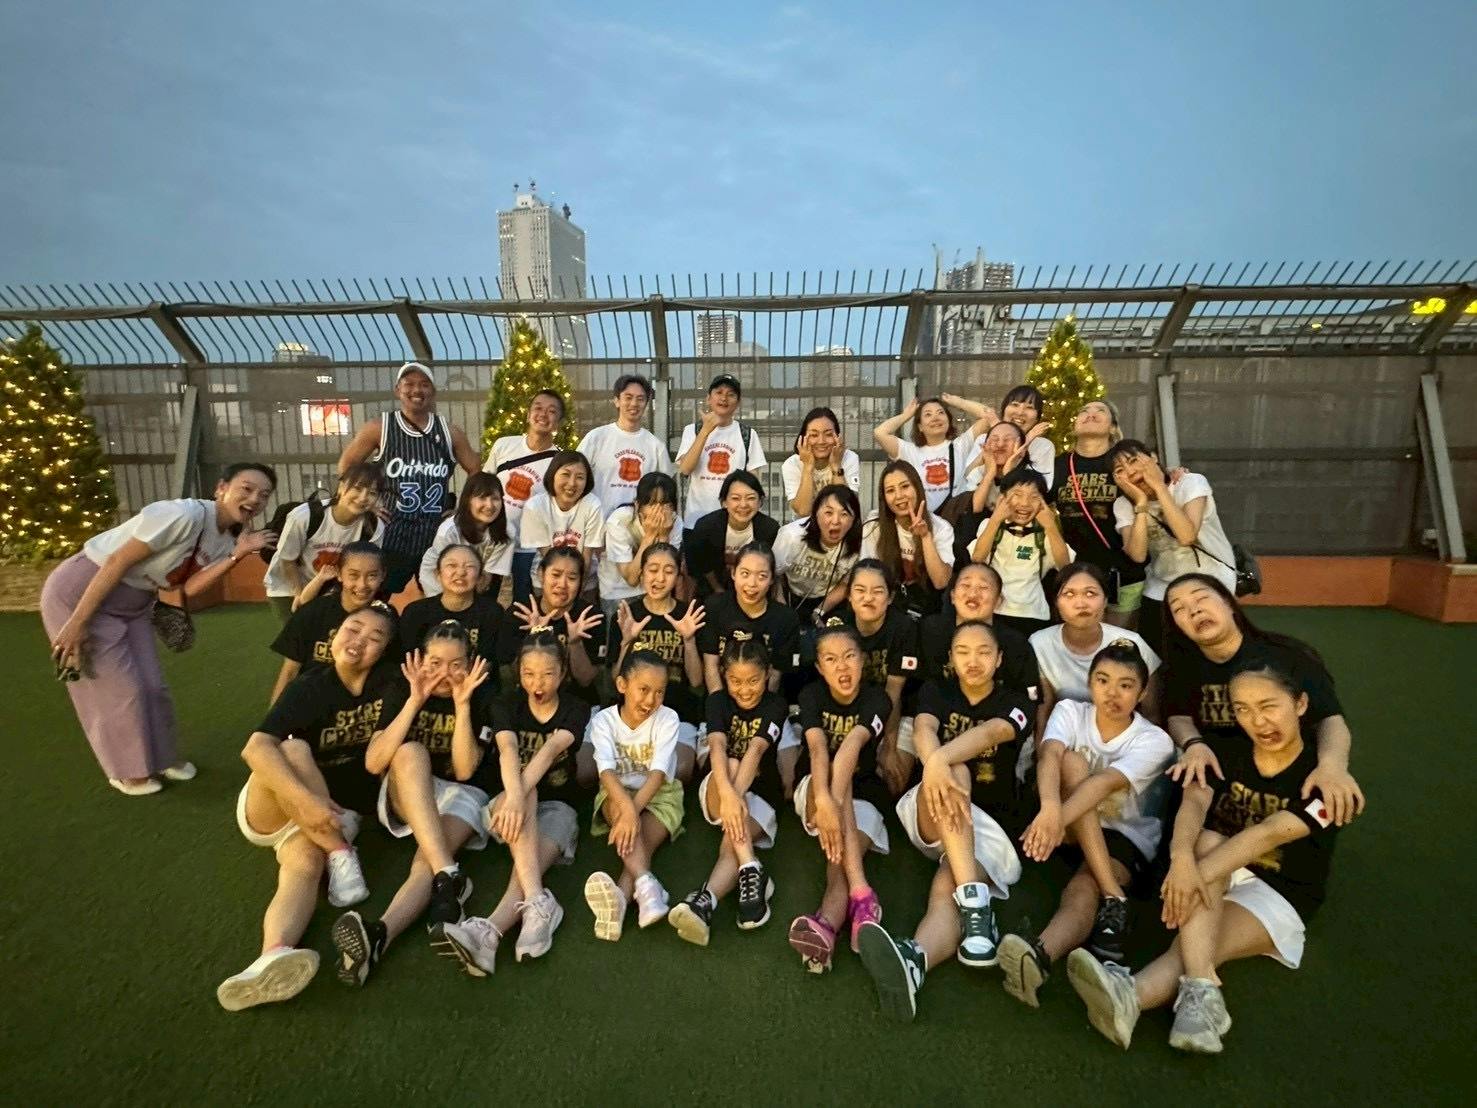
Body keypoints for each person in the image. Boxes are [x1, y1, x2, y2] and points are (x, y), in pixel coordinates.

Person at [1067, 661, 1346, 1055]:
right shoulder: (1226, 751)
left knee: (1196, 943)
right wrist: (1181, 858)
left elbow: (1267, 833)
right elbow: (1195, 802)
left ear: (1300, 704)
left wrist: (1189, 877)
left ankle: (1131, 994)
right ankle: (1197, 992)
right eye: (1243, 709)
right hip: (1216, 869)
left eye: (1269, 706)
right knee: (1209, 840)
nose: (1258, 721)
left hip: (1278, 891)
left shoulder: (1326, 780)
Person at [43, 463, 278, 795]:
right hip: (83, 592)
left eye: (263, 495)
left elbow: (189, 588)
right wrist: (77, 621)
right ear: (221, 488)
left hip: (134, 604)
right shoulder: (182, 515)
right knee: (120, 691)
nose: (254, 499)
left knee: (154, 687)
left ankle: (162, 758)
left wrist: (237, 555)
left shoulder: (228, 538)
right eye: (246, 488)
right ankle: (127, 771)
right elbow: (118, 561)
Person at [216, 603, 399, 1011]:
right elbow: (255, 749)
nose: (359, 641)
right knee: (293, 748)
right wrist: (308, 802)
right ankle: (341, 852)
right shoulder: (309, 686)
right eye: (353, 629)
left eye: (374, 638)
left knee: (302, 868)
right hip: (278, 804)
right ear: (335, 634)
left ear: (385, 650)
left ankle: (271, 954)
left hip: (327, 815)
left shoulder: (388, 685)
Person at [856, 621, 1032, 1021]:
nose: (973, 661)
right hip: (934, 809)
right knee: (958, 771)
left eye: (984, 652)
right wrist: (940, 763)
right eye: (963, 652)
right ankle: (979, 908)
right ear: (951, 658)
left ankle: (915, 961)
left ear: (999, 659)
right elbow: (923, 729)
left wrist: (936, 759)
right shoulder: (936, 690)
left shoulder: (1016, 700)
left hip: (991, 830)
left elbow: (992, 732)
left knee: (943, 889)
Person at [1001, 641, 1175, 1007]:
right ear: (1090, 682)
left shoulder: (1155, 740)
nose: (1112, 693)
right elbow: (1049, 755)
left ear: (1143, 692)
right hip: (1062, 828)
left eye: (1126, 685)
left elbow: (1103, 785)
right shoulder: (1070, 710)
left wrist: (1052, 822)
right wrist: (1051, 810)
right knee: (1070, 761)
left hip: (1122, 834)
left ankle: (1038, 956)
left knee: (1083, 886)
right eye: (1103, 680)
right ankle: (1115, 901)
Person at [330, 624, 504, 987]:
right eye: (435, 663)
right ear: (420, 661)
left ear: (471, 664)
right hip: (410, 788)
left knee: (426, 861)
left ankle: (379, 934)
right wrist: (414, 700)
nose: (444, 673)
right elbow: (374, 762)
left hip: (462, 791)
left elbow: (465, 770)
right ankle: (451, 874)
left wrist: (463, 705)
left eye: (456, 664)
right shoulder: (401, 687)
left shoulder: (484, 692)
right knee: (409, 752)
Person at [433, 635, 589, 977]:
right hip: (507, 805)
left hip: (558, 805)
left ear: (563, 673)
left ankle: (489, 932)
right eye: (529, 674)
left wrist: (518, 797)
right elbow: (508, 751)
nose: (538, 683)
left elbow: (549, 751)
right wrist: (516, 798)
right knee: (523, 790)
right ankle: (538, 902)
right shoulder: (506, 703)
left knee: (528, 860)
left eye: (548, 674)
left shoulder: (575, 708)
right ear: (518, 673)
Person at [1162, 574, 1364, 825]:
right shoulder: (1182, 667)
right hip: (1218, 776)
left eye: (1201, 598)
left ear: (1229, 603)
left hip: (1284, 774)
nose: (1194, 610)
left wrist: (1332, 767)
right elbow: (1178, 716)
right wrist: (1194, 744)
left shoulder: (1286, 656)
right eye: (1179, 609)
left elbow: (1329, 718)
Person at [668, 638, 789, 945]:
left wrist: (736, 799)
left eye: (753, 681)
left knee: (729, 845)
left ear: (767, 675)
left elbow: (757, 751)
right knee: (732, 762)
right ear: (723, 675)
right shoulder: (717, 701)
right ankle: (751, 865)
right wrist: (730, 796)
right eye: (736, 681)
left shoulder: (776, 705)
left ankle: (705, 902)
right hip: (718, 786)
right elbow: (718, 747)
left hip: (761, 792)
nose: (744, 690)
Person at [786, 626, 892, 974]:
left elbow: (851, 746)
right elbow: (818, 749)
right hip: (814, 788)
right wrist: (825, 799)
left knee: (839, 858)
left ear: (863, 660)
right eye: (831, 660)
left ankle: (826, 925)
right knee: (835, 777)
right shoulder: (811, 695)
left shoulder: (878, 699)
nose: (842, 667)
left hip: (862, 792)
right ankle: (862, 894)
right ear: (819, 667)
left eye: (849, 657)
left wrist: (834, 803)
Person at [336, 362, 481, 595]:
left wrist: (463, 509)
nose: (417, 390)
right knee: (376, 595)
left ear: (432, 391)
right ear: (398, 390)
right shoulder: (380, 427)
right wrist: (368, 503)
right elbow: (347, 465)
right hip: (391, 531)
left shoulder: (449, 431)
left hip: (434, 532)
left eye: (424, 384)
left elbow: (475, 470)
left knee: (440, 599)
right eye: (409, 384)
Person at [583, 651, 686, 941]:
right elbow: (606, 772)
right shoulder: (603, 721)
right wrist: (627, 811)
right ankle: (647, 886)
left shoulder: (668, 718)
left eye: (659, 692)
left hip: (660, 793)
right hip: (617, 792)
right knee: (632, 833)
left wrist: (632, 813)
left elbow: (658, 773)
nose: (651, 700)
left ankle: (621, 899)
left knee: (640, 840)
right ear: (622, 685)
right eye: (643, 689)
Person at [1030, 564, 1162, 777]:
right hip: (1067, 747)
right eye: (1069, 594)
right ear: (1055, 602)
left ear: (1105, 600)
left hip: (1122, 746)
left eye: (1091, 593)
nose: (1081, 603)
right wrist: (1042, 764)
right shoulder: (1040, 643)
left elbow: (1152, 713)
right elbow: (1043, 711)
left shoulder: (1132, 644)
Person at [1110, 440, 1237, 650]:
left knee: (1209, 646)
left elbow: (1186, 536)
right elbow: (1137, 555)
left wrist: (1159, 487)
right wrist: (1141, 504)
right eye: (1120, 470)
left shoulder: (1190, 483)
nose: (1131, 472)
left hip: (1210, 578)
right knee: (1154, 650)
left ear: (1153, 457)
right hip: (1161, 585)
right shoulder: (1123, 505)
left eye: (1133, 461)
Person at [610, 543, 707, 784]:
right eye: (653, 570)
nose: (660, 578)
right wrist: (626, 642)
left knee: (681, 770)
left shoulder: (689, 616)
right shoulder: (627, 615)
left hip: (677, 709)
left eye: (668, 571)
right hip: (634, 711)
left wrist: (689, 640)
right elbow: (616, 680)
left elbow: (696, 681)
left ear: (678, 576)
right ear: (641, 573)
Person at [1052, 399, 1144, 627]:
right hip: (1076, 576)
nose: (1090, 414)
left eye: (1100, 411)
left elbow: (1157, 483)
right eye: (1084, 411)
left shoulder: (1123, 463)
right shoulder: (1057, 465)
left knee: (1118, 642)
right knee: (1081, 638)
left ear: (1113, 427)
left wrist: (1174, 473)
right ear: (1075, 425)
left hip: (1123, 572)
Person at [832, 559, 918, 794]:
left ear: (890, 597)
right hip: (850, 707)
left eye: (877, 591)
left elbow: (893, 693)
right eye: (860, 590)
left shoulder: (903, 628)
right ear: (849, 596)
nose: (868, 598)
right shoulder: (838, 626)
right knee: (843, 771)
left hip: (895, 710)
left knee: (892, 782)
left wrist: (888, 746)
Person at [262, 462, 386, 623]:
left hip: (328, 587)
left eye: (372, 493)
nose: (363, 497)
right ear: (341, 487)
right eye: (357, 488)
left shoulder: (373, 526)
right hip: (288, 586)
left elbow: (365, 566)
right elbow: (287, 560)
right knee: (297, 632)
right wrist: (299, 594)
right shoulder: (304, 516)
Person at [268, 541, 389, 704]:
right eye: (353, 575)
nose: (362, 585)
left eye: (372, 576)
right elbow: (290, 671)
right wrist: (274, 715)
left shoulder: (386, 619)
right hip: (310, 702)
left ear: (383, 575)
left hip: (356, 709)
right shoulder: (312, 613)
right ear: (339, 574)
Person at [484, 389, 566, 607]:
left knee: (523, 604)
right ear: (528, 414)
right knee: (486, 599)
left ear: (558, 423)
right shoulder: (504, 445)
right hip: (494, 538)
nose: (543, 414)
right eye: (538, 408)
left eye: (552, 411)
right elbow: (484, 484)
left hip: (528, 547)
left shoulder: (559, 461)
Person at [969, 468, 1072, 638]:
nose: (1025, 503)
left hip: (1033, 614)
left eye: (1034, 497)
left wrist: (1051, 526)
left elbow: (1065, 567)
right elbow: (977, 558)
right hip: (994, 609)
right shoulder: (989, 525)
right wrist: (995, 519)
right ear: (1002, 497)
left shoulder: (1046, 532)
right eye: (1017, 494)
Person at [398, 545, 515, 685]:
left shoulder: (492, 612)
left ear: (480, 577)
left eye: (469, 566)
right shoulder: (416, 612)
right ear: (438, 574)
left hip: (473, 685)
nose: (460, 572)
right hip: (423, 684)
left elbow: (488, 661)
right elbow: (408, 660)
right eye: (451, 565)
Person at [696, 543, 800, 694]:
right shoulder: (715, 607)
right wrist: (717, 703)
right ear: (733, 573)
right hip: (721, 696)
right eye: (745, 573)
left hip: (764, 699)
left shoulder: (785, 618)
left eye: (762, 576)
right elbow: (711, 664)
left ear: (772, 579)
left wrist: (758, 706)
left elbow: (775, 676)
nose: (752, 584)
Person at [676, 373, 767, 538]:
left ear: (738, 402)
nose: (724, 398)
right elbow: (685, 469)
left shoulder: (747, 434)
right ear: (708, 398)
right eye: (719, 392)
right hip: (696, 521)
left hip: (734, 522)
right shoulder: (692, 430)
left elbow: (753, 482)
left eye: (731, 394)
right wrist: (705, 431)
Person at [860, 460, 955, 619]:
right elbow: (868, 574)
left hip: (928, 606)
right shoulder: (874, 525)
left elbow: (941, 582)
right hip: (888, 603)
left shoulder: (941, 527)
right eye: (890, 490)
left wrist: (925, 536)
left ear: (917, 488)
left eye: (905, 486)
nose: (899, 496)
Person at [872, 394, 996, 513]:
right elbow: (880, 433)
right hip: (925, 520)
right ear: (920, 426)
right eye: (928, 414)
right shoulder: (909, 451)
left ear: (948, 421)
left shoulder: (959, 446)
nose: (935, 418)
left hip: (956, 518)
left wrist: (959, 402)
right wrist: (906, 415)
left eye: (941, 412)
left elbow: (988, 416)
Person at [509, 548, 607, 699]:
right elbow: (514, 676)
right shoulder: (520, 613)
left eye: (572, 578)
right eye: (556, 575)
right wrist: (535, 636)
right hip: (531, 700)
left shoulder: (591, 617)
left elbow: (585, 680)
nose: (562, 584)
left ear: (581, 581)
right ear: (541, 574)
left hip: (577, 700)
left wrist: (575, 643)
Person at [576, 373, 673, 516]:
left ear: (646, 403)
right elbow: (577, 475)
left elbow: (666, 489)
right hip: (599, 522)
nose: (634, 404)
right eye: (628, 397)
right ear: (616, 401)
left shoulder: (656, 446)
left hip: (640, 524)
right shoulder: (596, 438)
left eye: (640, 399)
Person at [772, 485, 862, 623]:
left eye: (844, 514)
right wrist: (783, 609)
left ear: (854, 519)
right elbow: (773, 574)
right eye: (828, 513)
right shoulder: (791, 536)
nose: (835, 521)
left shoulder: (859, 544)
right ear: (815, 514)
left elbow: (845, 584)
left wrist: (820, 611)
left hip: (830, 601)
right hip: (791, 596)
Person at [416, 471, 513, 599]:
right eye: (482, 498)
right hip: (439, 578)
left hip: (476, 578)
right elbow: (445, 571)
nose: (489, 505)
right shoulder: (448, 531)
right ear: (468, 500)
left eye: (495, 498)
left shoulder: (506, 531)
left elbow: (488, 574)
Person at [684, 471, 780, 599]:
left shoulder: (769, 528)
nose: (743, 505)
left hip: (755, 591)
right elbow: (700, 567)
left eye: (751, 498)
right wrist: (718, 590)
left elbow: (771, 570)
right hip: (712, 591)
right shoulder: (706, 527)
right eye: (736, 498)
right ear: (724, 502)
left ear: (760, 501)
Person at [597, 472, 682, 617]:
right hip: (618, 592)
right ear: (637, 505)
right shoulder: (619, 521)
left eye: (665, 504)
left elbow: (666, 568)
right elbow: (631, 579)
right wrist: (649, 536)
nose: (658, 511)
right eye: (652, 504)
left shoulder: (675, 522)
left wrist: (663, 536)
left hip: (655, 590)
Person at [517, 450, 605, 588]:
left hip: (585, 579)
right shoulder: (535, 506)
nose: (572, 483)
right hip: (548, 580)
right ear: (552, 475)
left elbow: (587, 557)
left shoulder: (592, 505)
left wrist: (578, 588)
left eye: (580, 477)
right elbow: (548, 557)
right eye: (565, 474)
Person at [782, 406, 861, 518]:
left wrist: (836, 465)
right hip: (806, 525)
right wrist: (808, 467)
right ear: (803, 438)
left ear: (838, 437)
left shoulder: (850, 458)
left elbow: (846, 505)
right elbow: (803, 511)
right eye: (814, 435)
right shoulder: (791, 464)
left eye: (828, 434)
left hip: (839, 523)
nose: (821, 441)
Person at [998, 384, 1056, 486]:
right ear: (1003, 411)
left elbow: (1041, 488)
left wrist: (1026, 443)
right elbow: (970, 479)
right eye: (1015, 404)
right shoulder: (985, 440)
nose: (1020, 412)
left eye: (1029, 407)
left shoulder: (1044, 446)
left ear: (1037, 418)